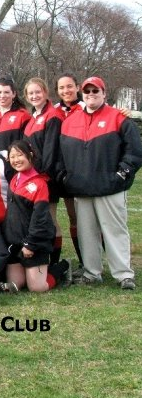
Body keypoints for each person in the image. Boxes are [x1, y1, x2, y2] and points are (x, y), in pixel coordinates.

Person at [59, 76, 142, 289]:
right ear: (82, 94)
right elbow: (61, 155)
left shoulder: (118, 118)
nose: (91, 95)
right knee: (87, 232)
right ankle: (91, 272)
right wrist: (65, 177)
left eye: (95, 91)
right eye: (87, 92)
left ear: (104, 94)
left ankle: (123, 274)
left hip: (110, 187)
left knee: (114, 230)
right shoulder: (70, 121)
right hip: (82, 189)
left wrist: (122, 174)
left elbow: (134, 152)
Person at [4, 141, 70, 292]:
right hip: (16, 242)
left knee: (37, 287)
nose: (16, 160)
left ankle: (63, 267)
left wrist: (31, 244)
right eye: (12, 156)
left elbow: (40, 218)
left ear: (30, 155)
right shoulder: (15, 178)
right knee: (16, 284)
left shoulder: (39, 184)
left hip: (34, 243)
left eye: (20, 155)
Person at [23, 77, 63, 263]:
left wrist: (42, 175)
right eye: (31, 93)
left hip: (47, 178)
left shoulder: (53, 115)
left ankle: (55, 262)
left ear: (46, 93)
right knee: (41, 220)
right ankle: (44, 257)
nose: (34, 95)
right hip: (33, 177)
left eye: (38, 91)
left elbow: (51, 151)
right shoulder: (32, 118)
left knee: (50, 220)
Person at [54, 73, 85, 271]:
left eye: (69, 86)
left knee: (81, 217)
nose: (66, 91)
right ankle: (57, 260)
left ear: (78, 87)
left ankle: (88, 261)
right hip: (59, 171)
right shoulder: (54, 110)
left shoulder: (86, 107)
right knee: (61, 217)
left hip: (81, 171)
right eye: (62, 88)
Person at [0, 77, 31, 157]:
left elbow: (26, 144)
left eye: (6, 92)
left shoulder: (23, 115)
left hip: (13, 162)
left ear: (13, 94)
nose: (2, 96)